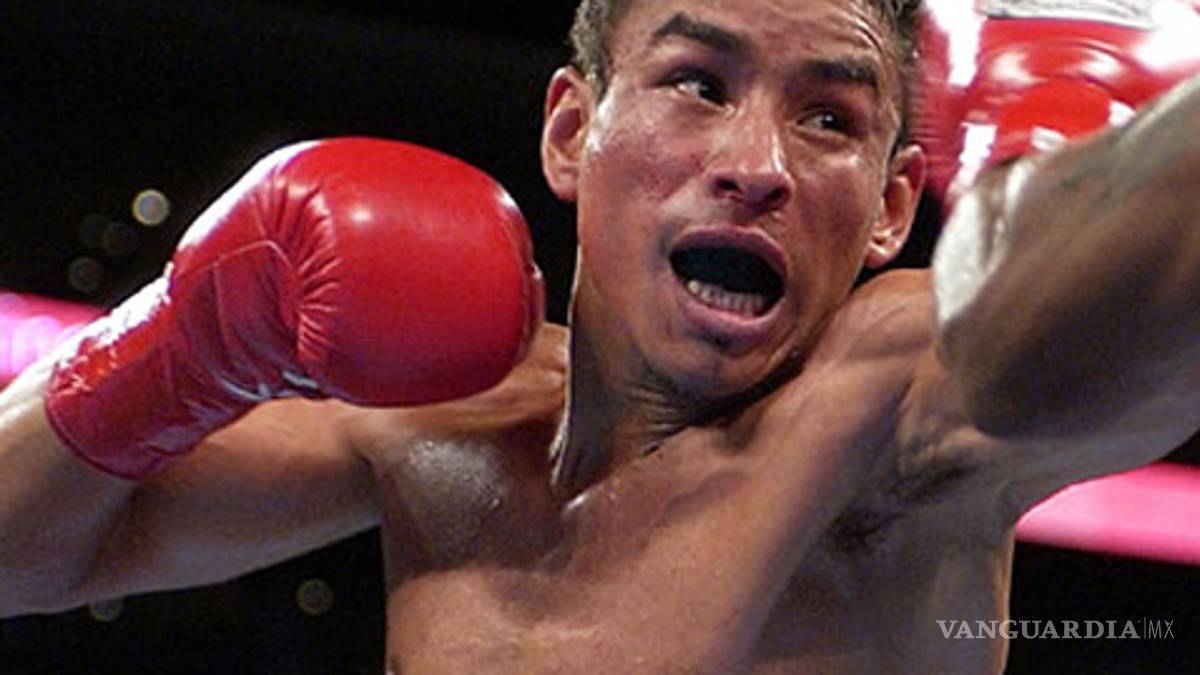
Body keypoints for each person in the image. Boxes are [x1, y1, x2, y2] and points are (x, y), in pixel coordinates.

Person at [2, 0, 1199, 673]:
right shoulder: (439, 426)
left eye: (830, 119)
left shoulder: (879, 405)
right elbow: (26, 560)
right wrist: (176, 347)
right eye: (699, 84)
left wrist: (1052, 145)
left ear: (892, 208)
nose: (757, 166)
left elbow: (1067, 344)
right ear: (572, 133)